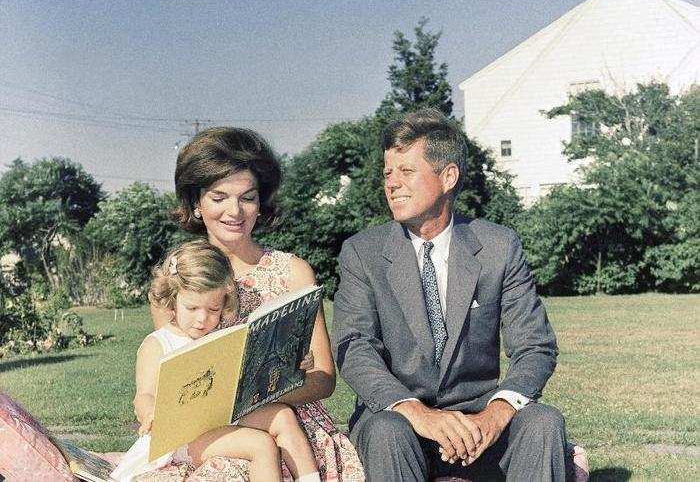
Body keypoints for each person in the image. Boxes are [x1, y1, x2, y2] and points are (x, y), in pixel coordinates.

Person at [331, 109, 577, 482]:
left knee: (543, 422)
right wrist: (418, 413)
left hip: (479, 423)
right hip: (402, 423)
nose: (391, 184)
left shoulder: (498, 246)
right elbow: (354, 347)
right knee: (385, 430)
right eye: (387, 173)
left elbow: (535, 347)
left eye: (406, 171)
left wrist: (496, 414)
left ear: (448, 177)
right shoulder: (362, 253)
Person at [149, 127, 364, 481]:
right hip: (214, 434)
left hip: (291, 426)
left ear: (260, 203)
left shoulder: (293, 272)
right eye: (219, 197)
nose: (235, 211)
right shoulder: (175, 283)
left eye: (247, 197)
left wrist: (266, 391)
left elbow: (324, 380)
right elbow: (172, 385)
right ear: (196, 205)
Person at [113, 239, 321, 482]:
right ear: (172, 298)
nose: (202, 319)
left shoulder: (223, 338)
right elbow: (144, 394)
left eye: (213, 310)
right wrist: (150, 414)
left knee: (283, 416)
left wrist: (294, 360)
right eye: (192, 308)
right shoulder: (157, 344)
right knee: (260, 444)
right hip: (184, 436)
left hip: (224, 416)